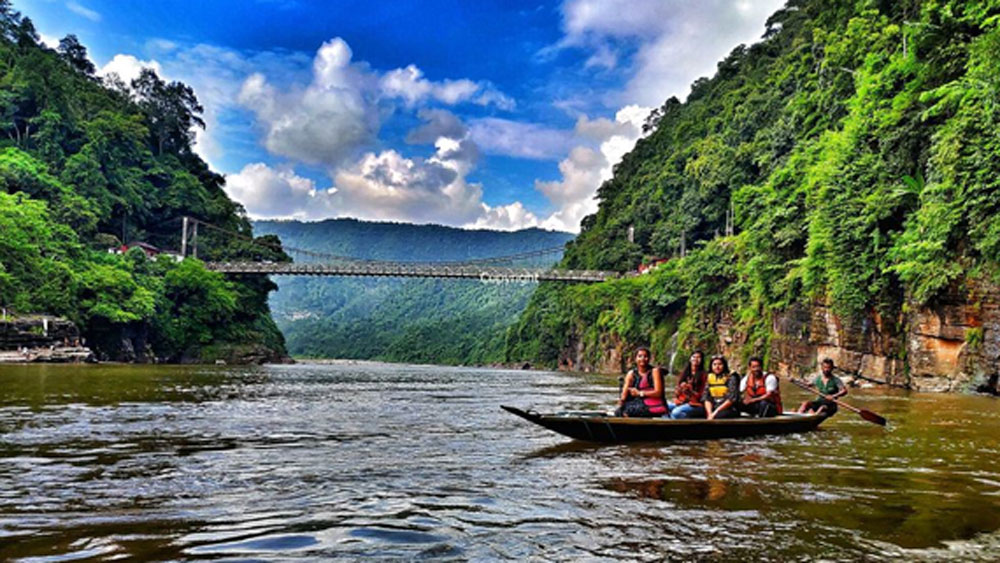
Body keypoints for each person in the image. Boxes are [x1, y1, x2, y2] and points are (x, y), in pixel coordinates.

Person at [615, 347, 666, 417]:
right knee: (619, 412)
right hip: (637, 402)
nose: (642, 358)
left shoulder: (655, 371)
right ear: (635, 359)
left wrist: (640, 393)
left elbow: (658, 393)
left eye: (645, 356)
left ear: (649, 359)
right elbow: (625, 392)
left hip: (653, 404)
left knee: (629, 411)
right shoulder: (632, 373)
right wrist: (622, 400)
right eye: (640, 356)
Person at [666, 351, 707, 419]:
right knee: (663, 408)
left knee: (676, 412)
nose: (696, 359)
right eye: (694, 357)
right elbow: (677, 393)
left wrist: (690, 391)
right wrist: (679, 390)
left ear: (702, 360)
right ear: (690, 359)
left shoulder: (704, 375)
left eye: (698, 357)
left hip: (696, 404)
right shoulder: (685, 373)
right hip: (682, 402)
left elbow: (703, 396)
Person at [702, 355, 740, 420]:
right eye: (714, 364)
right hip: (714, 406)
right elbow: (706, 397)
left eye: (720, 364)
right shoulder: (709, 377)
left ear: (724, 365)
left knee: (718, 417)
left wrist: (715, 413)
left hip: (729, 408)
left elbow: (732, 398)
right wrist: (710, 413)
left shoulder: (731, 377)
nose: (717, 367)